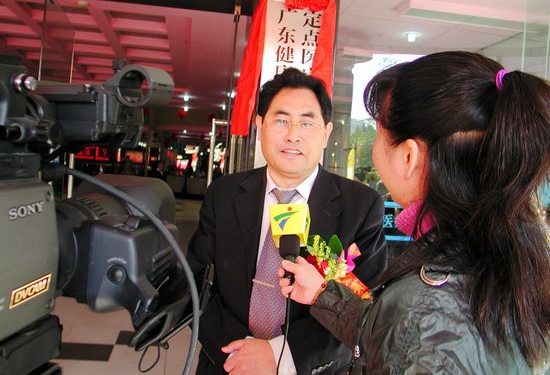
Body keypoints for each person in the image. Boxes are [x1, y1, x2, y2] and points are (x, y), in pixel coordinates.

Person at [279, 51, 550, 373]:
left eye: (379, 136)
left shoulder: (428, 304)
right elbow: (402, 341)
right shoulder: (508, 253)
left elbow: (416, 333)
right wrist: (325, 296)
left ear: (408, 157)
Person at [186, 68, 388, 374]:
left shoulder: (361, 206)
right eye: (281, 121)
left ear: (326, 133)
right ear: (260, 126)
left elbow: (368, 311)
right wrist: (237, 354)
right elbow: (195, 284)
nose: (293, 135)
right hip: (226, 363)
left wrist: (279, 355)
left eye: (306, 123)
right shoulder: (223, 193)